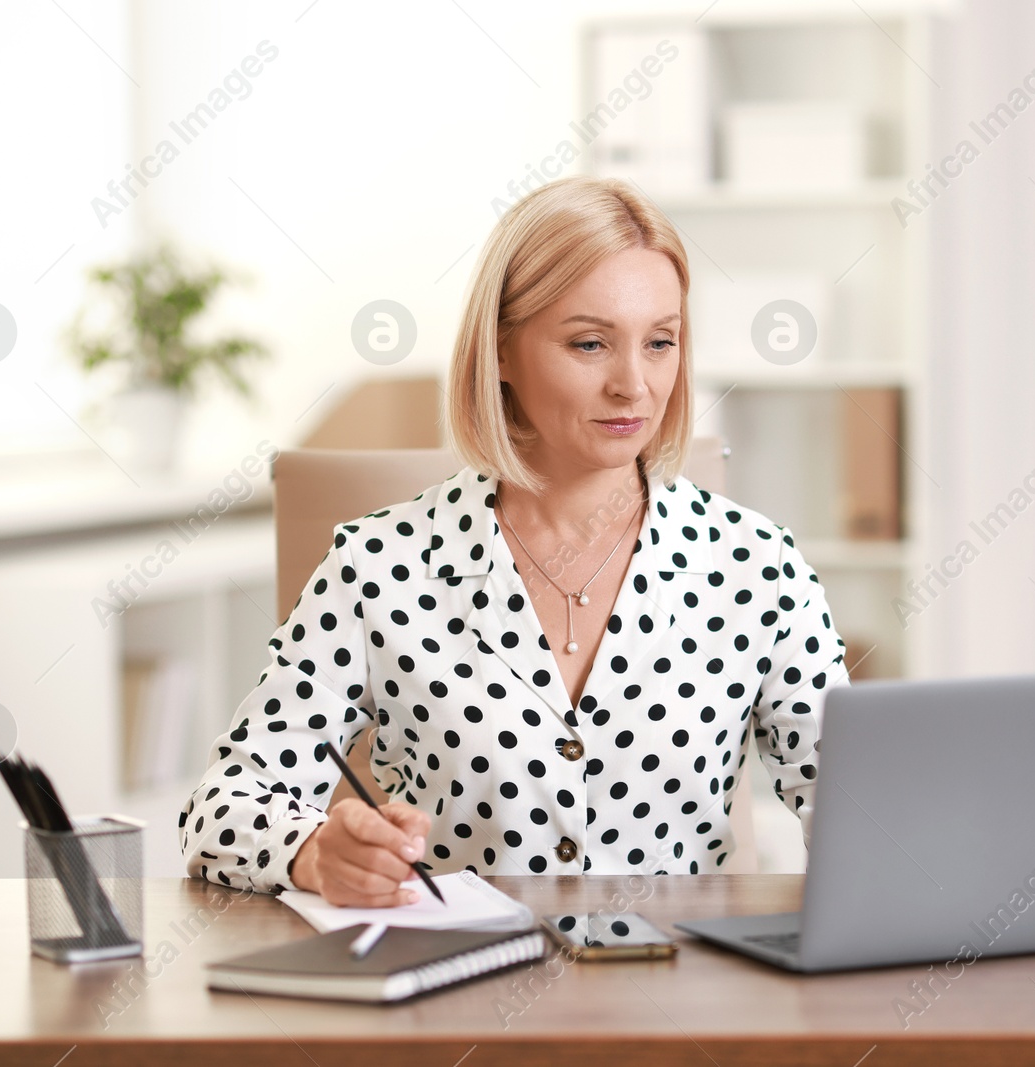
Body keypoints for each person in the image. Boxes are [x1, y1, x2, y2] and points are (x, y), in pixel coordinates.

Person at [180, 175, 846, 906]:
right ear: (500, 350)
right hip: (461, 1001)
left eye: (661, 342)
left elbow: (863, 819)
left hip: (681, 1003)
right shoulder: (379, 568)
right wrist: (313, 851)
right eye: (590, 343)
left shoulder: (758, 569)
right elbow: (221, 808)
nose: (635, 385)